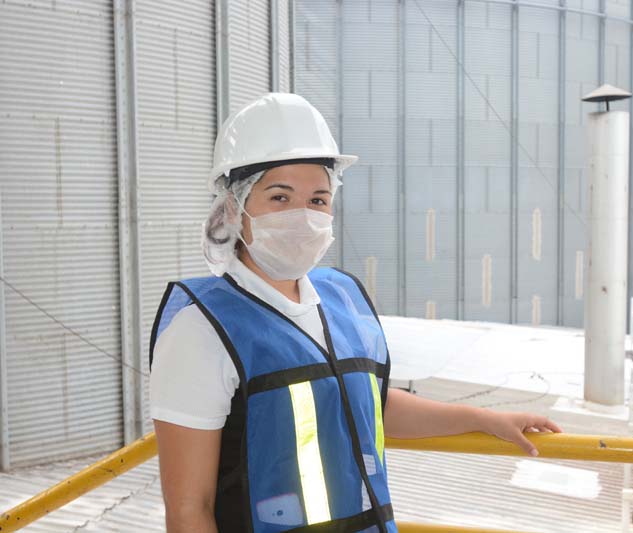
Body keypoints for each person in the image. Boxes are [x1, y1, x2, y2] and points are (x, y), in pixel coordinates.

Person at [149, 92, 562, 533]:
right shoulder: (202, 331)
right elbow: (191, 509)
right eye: (280, 198)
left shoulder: (339, 299)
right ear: (233, 209)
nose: (303, 217)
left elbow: (365, 403)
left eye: (318, 200)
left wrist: (485, 420)